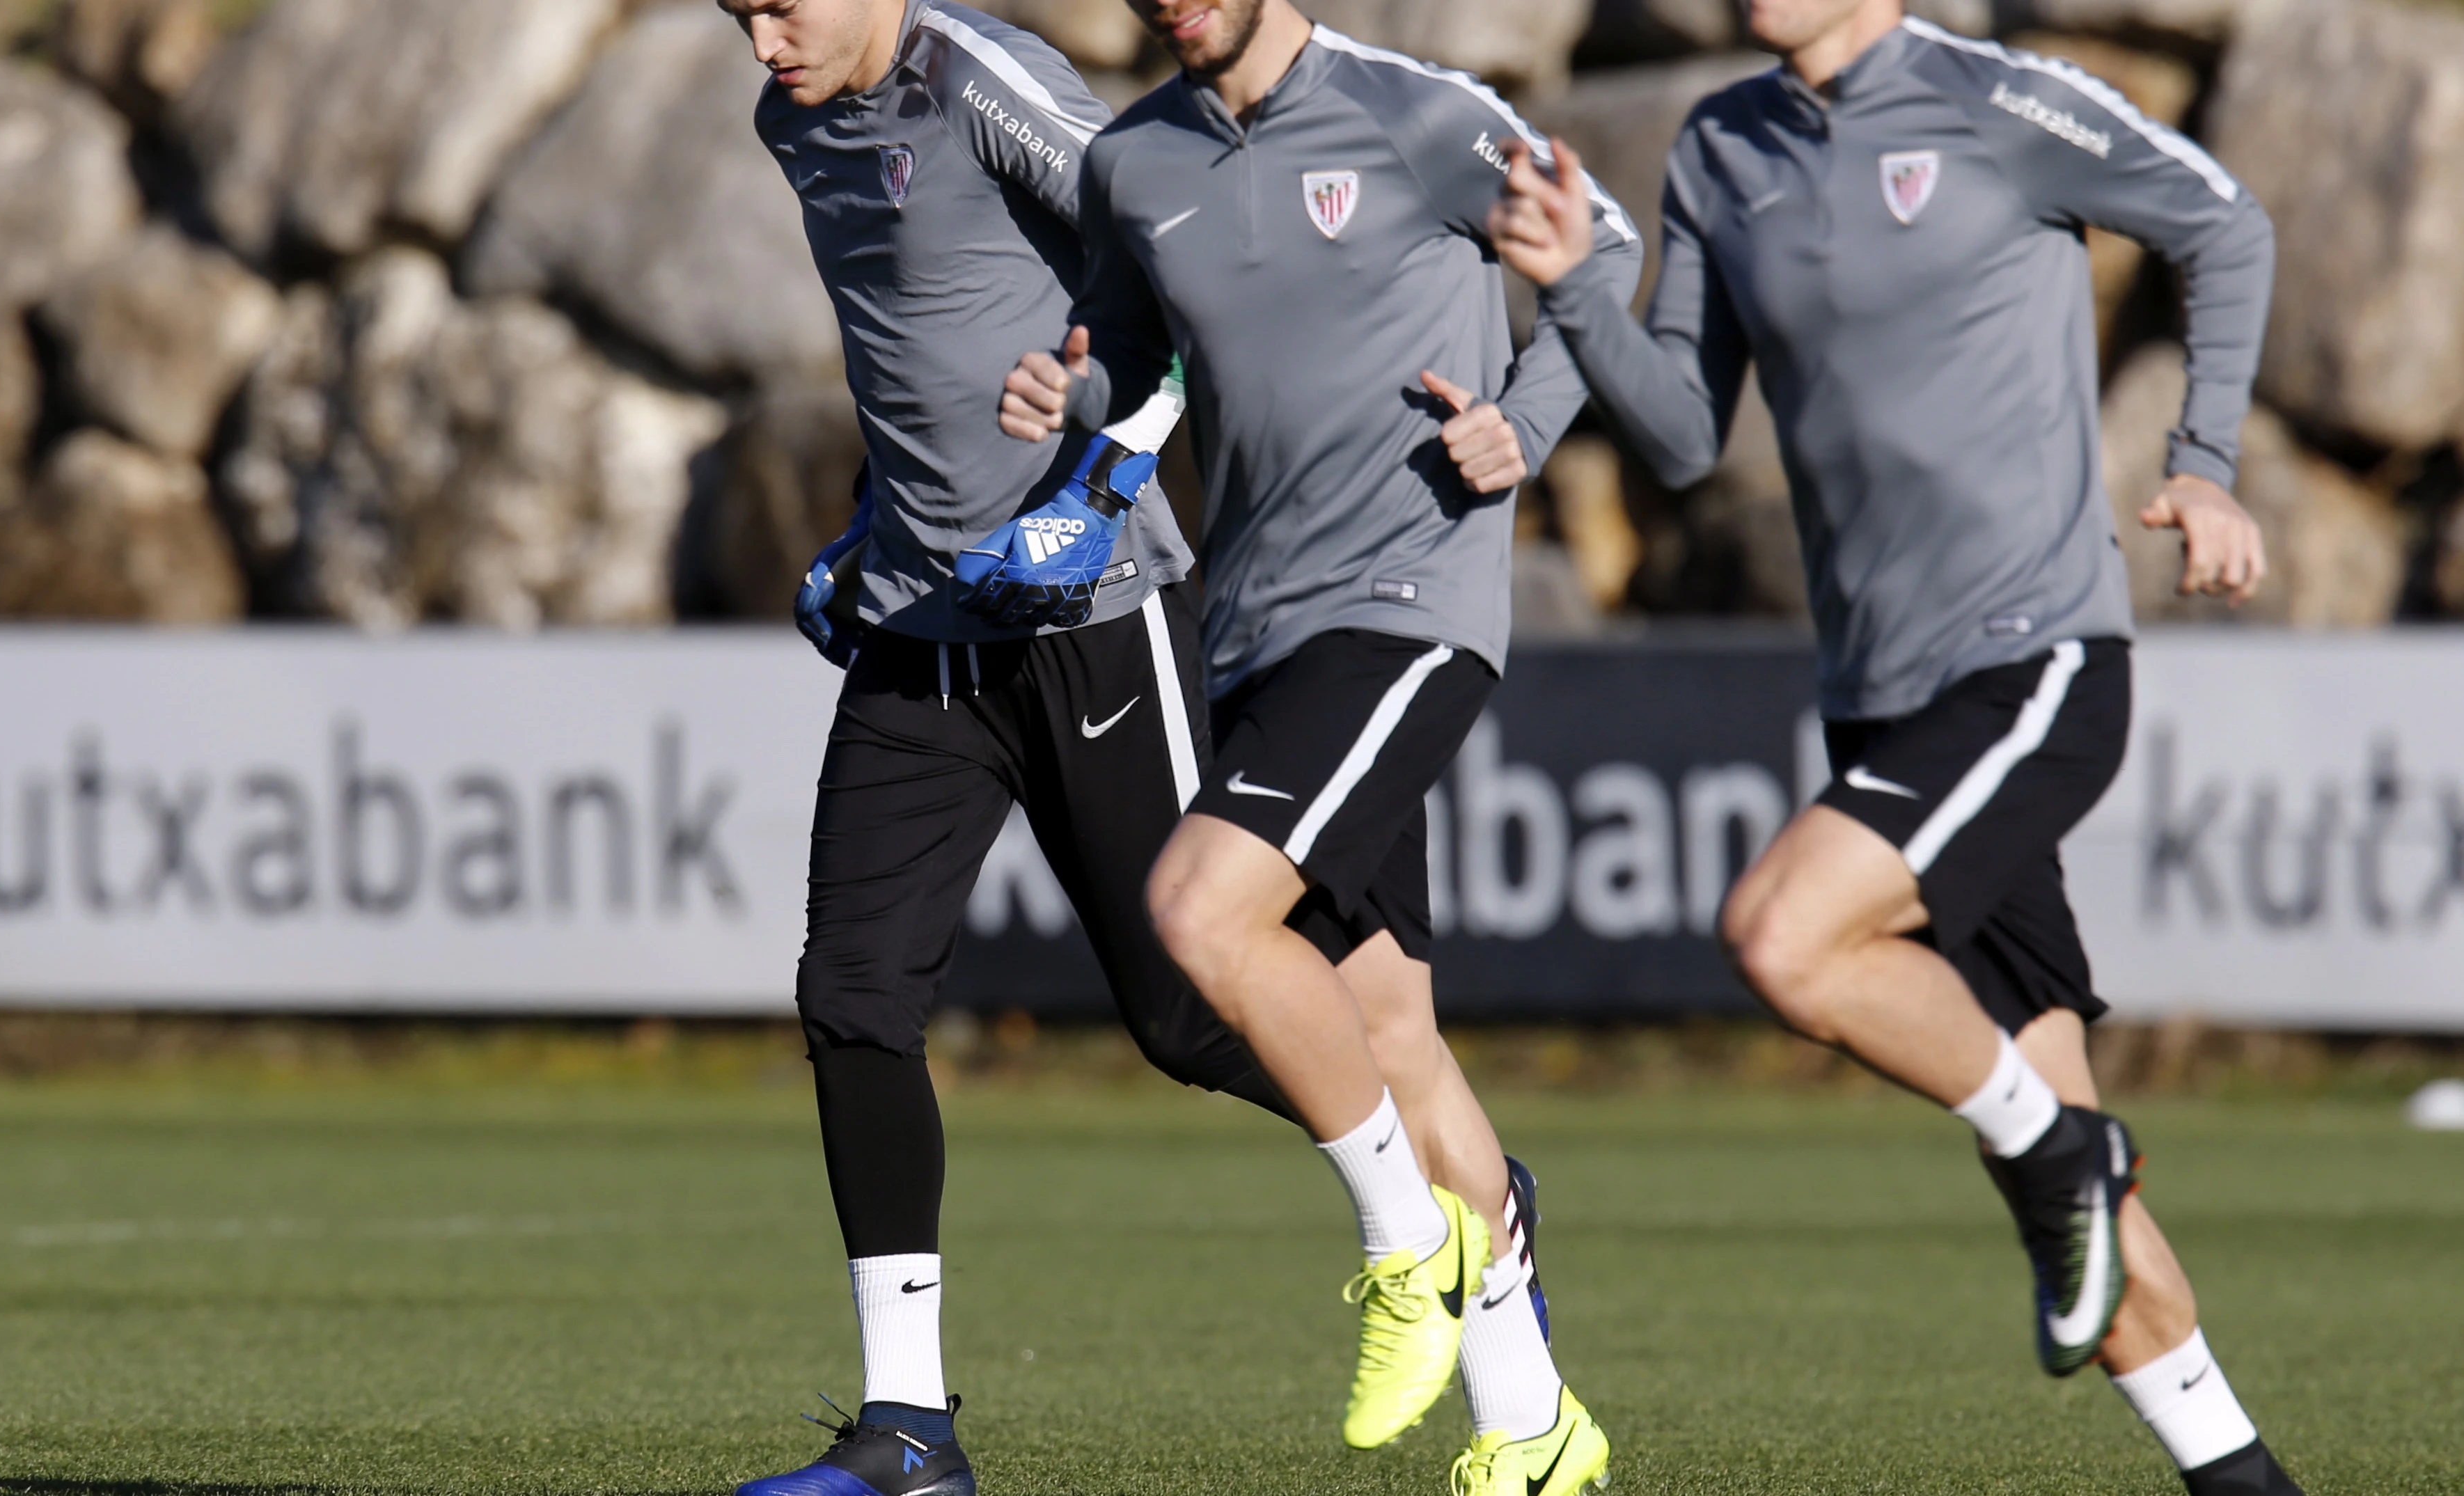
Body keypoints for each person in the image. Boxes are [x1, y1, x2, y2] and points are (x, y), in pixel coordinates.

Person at [728, 2, 1553, 1492]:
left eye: (781, 4)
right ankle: (906, 1432)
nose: (764, 38)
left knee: (1188, 1015)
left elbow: (1180, 274)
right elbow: (918, 355)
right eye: (737, 16)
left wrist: (1101, 484)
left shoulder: (988, 86)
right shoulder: (795, 125)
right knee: (851, 996)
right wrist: (871, 529)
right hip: (924, 634)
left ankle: (1471, 1210)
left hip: (1098, 618)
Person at [1484, 2, 2300, 1493]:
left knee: (1782, 940)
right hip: (1878, 695)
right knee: (2090, 1250)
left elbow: (2221, 222)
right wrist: (1571, 296)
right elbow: (1678, 438)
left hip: (2034, 663)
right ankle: (2235, 1470)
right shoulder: (1723, 146)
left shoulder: (2000, 101)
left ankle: (2063, 1155)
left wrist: (2203, 467)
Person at [999, 1, 1639, 1490]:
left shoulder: (1414, 113)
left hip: (1409, 607)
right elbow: (1134, 365)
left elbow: (1598, 250)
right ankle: (1532, 1424)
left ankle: (1405, 1248)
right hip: (1260, 631)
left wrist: (1522, 429)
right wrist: (1069, 393)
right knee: (1396, 1041)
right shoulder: (1135, 160)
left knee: (1193, 911)